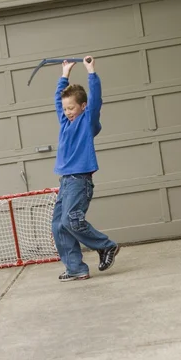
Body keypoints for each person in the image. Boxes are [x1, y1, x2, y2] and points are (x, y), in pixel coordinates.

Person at [51, 56, 120, 282]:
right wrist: (64, 74)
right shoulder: (65, 122)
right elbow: (57, 99)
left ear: (83, 106)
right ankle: (75, 268)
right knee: (59, 226)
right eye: (65, 108)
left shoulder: (87, 121)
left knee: (72, 220)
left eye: (72, 108)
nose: (68, 111)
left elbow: (96, 99)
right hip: (66, 180)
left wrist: (91, 72)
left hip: (79, 180)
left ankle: (106, 246)